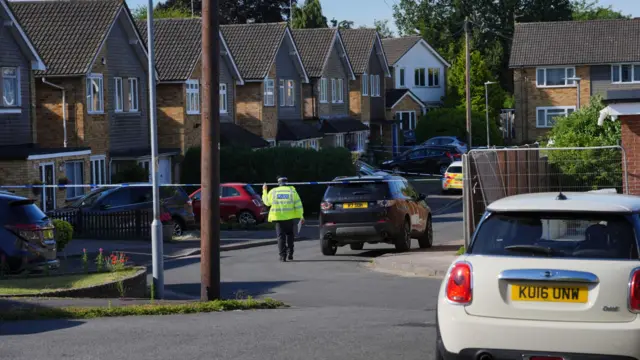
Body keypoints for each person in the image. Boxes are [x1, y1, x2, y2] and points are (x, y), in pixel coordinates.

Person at [262, 177, 304, 262]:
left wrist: (264, 190)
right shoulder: (292, 191)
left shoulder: (273, 192)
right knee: (290, 235)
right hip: (289, 217)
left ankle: (282, 256)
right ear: (287, 182)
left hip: (278, 218)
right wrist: (301, 216)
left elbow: (266, 202)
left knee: (281, 237)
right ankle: (290, 254)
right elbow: (298, 205)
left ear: (278, 183)